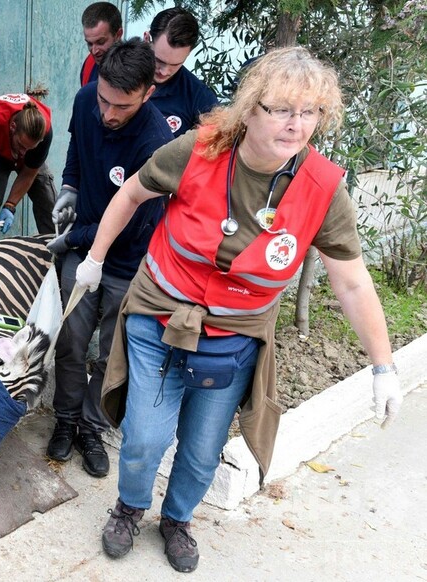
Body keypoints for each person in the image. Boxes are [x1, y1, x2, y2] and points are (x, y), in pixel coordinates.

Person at [74, 47, 403, 572]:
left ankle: (177, 520)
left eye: (311, 112)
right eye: (282, 109)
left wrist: (383, 367)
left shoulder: (322, 188)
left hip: (232, 337)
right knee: (144, 437)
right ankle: (130, 508)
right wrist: (94, 259)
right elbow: (131, 194)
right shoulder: (198, 150)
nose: (297, 125)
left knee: (203, 451)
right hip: (160, 316)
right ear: (250, 109)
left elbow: (353, 283)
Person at [45, 39, 173, 478]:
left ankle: (92, 427)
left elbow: (135, 225)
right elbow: (77, 150)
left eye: (121, 106)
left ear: (147, 94)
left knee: (109, 353)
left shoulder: (157, 142)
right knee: (70, 342)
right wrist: (70, 186)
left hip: (127, 263)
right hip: (82, 248)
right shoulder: (87, 100)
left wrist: (72, 238)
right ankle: (65, 420)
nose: (108, 113)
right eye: (103, 99)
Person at [0, 93, 56, 235]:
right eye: (21, 145)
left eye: (29, 148)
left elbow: (29, 174)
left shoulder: (45, 133)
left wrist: (10, 205)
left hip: (27, 153)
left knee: (48, 201)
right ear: (12, 126)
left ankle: (54, 249)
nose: (23, 153)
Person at [145, 7, 218, 136]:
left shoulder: (199, 97)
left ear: (188, 54)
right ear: (146, 39)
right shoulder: (116, 69)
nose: (164, 71)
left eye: (175, 64)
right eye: (159, 60)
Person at [79, 2, 123, 87]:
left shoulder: (135, 74)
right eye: (89, 44)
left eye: (101, 42)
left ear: (118, 34)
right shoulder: (89, 63)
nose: (94, 51)